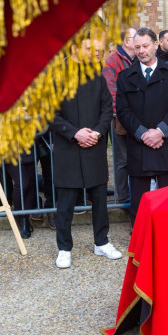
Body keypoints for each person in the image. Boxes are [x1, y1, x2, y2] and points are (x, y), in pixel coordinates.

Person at [50, 37, 121, 269]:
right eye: (89, 49)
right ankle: (64, 248)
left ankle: (101, 242)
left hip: (94, 145)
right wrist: (74, 133)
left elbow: (105, 109)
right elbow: (50, 114)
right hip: (68, 147)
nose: (95, 53)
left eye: (98, 50)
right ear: (74, 49)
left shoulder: (97, 76)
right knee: (66, 202)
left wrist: (98, 134)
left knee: (100, 198)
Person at [116, 28, 168, 225]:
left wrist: (160, 132)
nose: (141, 51)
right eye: (137, 47)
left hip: (166, 145)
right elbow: (123, 111)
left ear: (155, 45)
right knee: (139, 202)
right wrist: (144, 134)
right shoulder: (125, 76)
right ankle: (139, 240)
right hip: (140, 147)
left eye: (145, 46)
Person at [102, 27, 136, 204]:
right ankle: (122, 198)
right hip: (121, 119)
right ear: (127, 41)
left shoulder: (138, 58)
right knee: (122, 160)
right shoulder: (113, 60)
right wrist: (122, 114)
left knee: (137, 159)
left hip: (138, 119)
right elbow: (111, 91)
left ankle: (135, 195)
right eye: (135, 37)